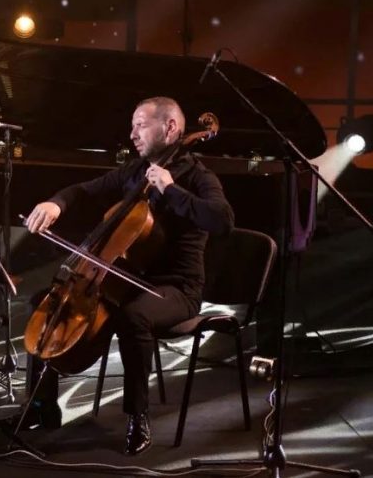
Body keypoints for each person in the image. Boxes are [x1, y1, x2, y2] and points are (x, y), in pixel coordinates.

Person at [24, 96, 234, 455]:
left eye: (141, 125)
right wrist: (55, 203)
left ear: (170, 128)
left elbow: (222, 220)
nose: (133, 134)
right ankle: (42, 404)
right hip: (127, 281)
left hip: (176, 288)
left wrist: (170, 189)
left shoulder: (199, 177)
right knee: (46, 300)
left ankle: (138, 416)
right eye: (132, 126)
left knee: (134, 316)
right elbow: (83, 190)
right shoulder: (135, 171)